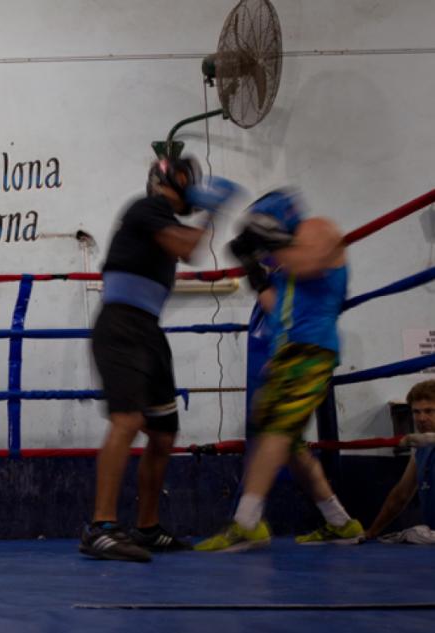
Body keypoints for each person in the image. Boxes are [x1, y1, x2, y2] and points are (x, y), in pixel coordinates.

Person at [80, 156, 240, 561]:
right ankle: (100, 528)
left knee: (163, 433)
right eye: (190, 182)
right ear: (174, 181)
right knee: (129, 420)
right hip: (121, 327)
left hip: (147, 329)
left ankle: (147, 527)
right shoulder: (147, 206)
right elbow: (189, 250)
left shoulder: (163, 217)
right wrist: (213, 211)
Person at [196, 189, 364, 552]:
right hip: (291, 350)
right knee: (287, 441)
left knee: (275, 430)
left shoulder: (317, 229)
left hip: (312, 348)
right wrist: (255, 273)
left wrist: (267, 239)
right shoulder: (287, 263)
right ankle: (340, 523)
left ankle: (246, 523)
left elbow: (312, 263)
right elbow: (277, 307)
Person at [362, 379, 435, 543]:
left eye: (429, 411)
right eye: (416, 412)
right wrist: (372, 531)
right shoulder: (420, 448)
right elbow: (401, 495)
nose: (422, 418)